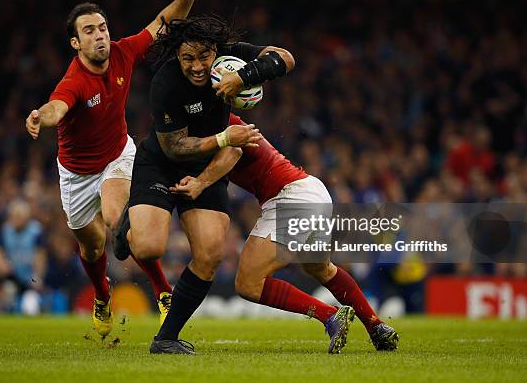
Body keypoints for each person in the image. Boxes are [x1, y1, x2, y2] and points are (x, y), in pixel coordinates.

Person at [24, 0, 214, 338]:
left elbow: (163, 23)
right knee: (92, 248)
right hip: (75, 173)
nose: (100, 36)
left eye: (102, 27)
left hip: (117, 155)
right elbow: (56, 107)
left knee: (115, 216)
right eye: (89, 31)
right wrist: (39, 117)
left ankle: (163, 291)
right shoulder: (75, 81)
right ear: (76, 43)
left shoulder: (124, 53)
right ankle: (102, 293)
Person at [113, 14, 294, 354]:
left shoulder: (230, 57)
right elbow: (175, 147)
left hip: (207, 167)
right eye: (188, 58)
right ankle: (129, 224)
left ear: (216, 50)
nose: (198, 66)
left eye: (204, 57)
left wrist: (243, 76)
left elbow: (285, 58)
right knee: (149, 248)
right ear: (177, 56)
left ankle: (165, 338)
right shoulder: (165, 83)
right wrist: (226, 136)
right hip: (162, 162)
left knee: (210, 254)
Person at [170, 113, 400, 353]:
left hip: (290, 197)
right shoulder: (216, 121)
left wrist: (200, 182)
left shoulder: (219, 122)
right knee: (320, 268)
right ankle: (376, 326)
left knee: (248, 284)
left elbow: (233, 151)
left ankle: (329, 315)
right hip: (310, 189)